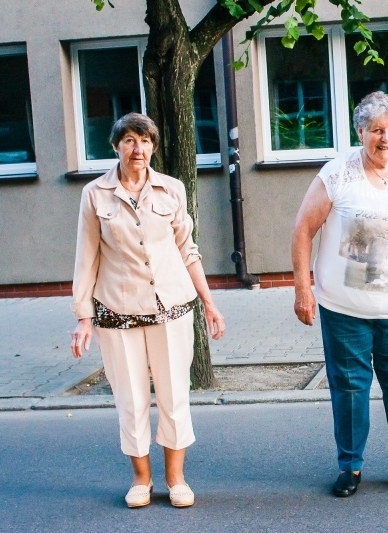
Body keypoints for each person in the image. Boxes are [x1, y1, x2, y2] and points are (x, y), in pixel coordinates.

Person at [292, 91, 388, 497]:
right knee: (351, 388)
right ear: (361, 131)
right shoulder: (337, 173)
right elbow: (303, 229)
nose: (386, 138)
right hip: (343, 308)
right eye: (377, 130)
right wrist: (303, 289)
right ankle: (351, 468)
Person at [70, 112, 225, 508]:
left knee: (174, 396)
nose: (137, 149)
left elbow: (188, 249)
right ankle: (142, 478)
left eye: (144, 141)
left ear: (153, 147)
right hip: (117, 312)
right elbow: (86, 257)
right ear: (116, 146)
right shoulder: (95, 194)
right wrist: (83, 317)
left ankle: (176, 478)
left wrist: (209, 303)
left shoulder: (171, 190)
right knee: (131, 398)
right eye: (129, 141)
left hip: (171, 308)